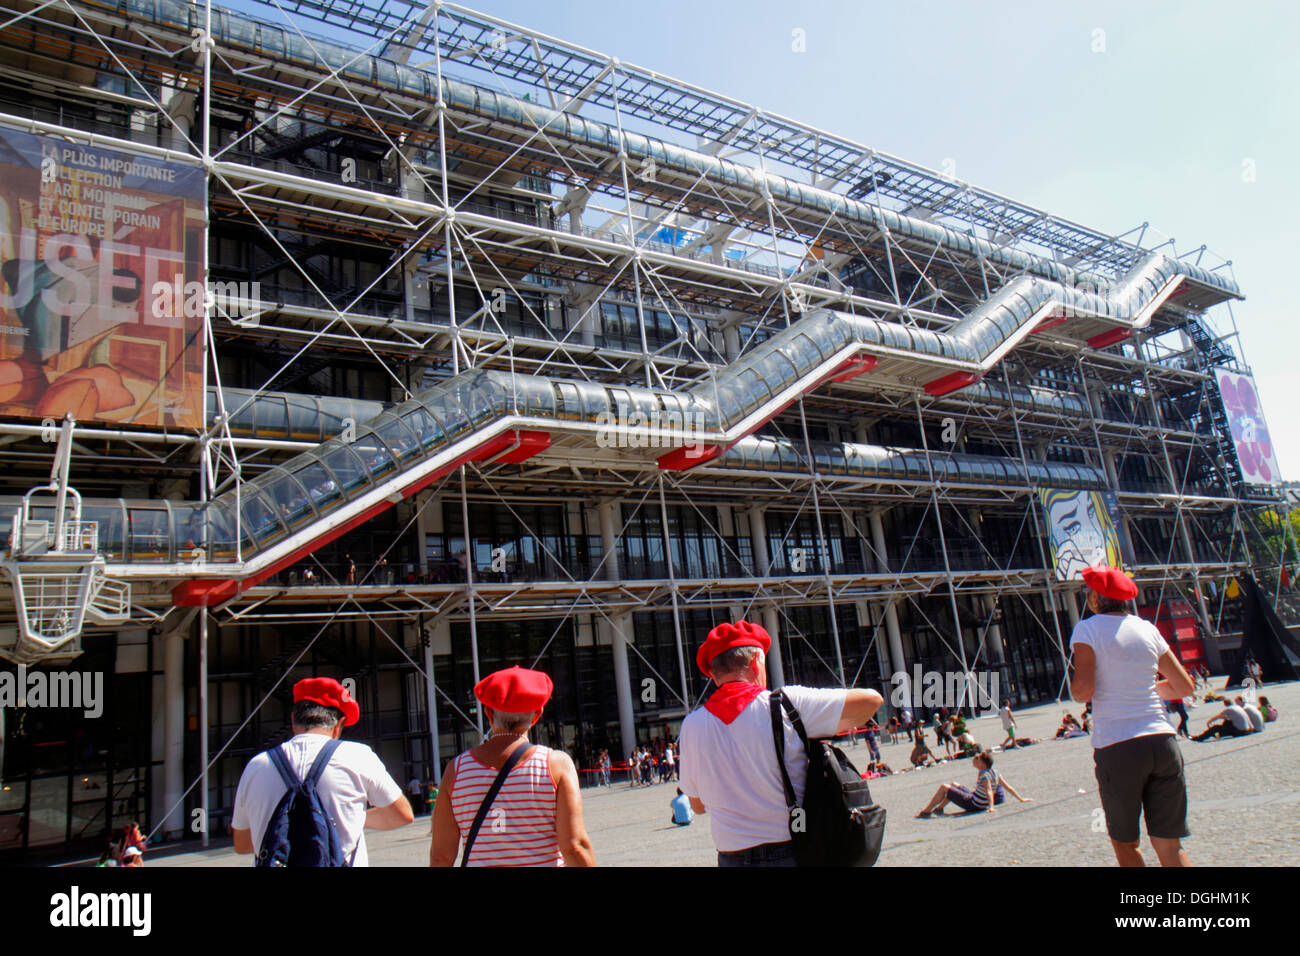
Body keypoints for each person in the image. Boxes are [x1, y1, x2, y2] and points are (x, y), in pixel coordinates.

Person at [677, 620, 883, 867]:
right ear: (756, 663)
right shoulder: (786, 704)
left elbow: (697, 806)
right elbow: (871, 701)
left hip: (731, 858)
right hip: (791, 852)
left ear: (712, 673)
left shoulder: (691, 725)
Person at [1069, 565, 1196, 867]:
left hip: (1119, 745)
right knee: (1169, 842)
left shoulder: (1087, 629)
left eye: (1088, 592)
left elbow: (1083, 689)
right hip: (1163, 741)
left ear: (1097, 597)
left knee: (1125, 843)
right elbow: (1183, 686)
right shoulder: (1147, 628)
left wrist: (1077, 690)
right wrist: (1140, 686)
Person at [232, 677, 413, 866]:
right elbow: (402, 814)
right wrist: (354, 817)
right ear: (338, 725)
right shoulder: (358, 756)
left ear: (293, 720)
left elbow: (242, 843)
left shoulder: (256, 766)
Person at [429, 666, 595, 867]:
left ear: (489, 714)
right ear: (537, 715)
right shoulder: (555, 765)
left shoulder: (456, 770)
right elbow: (574, 846)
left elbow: (441, 857)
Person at [915, 749, 1030, 817]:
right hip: (976, 798)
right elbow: (1008, 787)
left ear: (983, 764)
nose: (976, 760)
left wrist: (991, 807)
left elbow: (989, 790)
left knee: (944, 787)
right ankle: (939, 809)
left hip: (974, 803)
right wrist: (1021, 798)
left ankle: (926, 811)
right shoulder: (995, 772)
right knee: (954, 785)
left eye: (978, 760)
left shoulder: (984, 775)